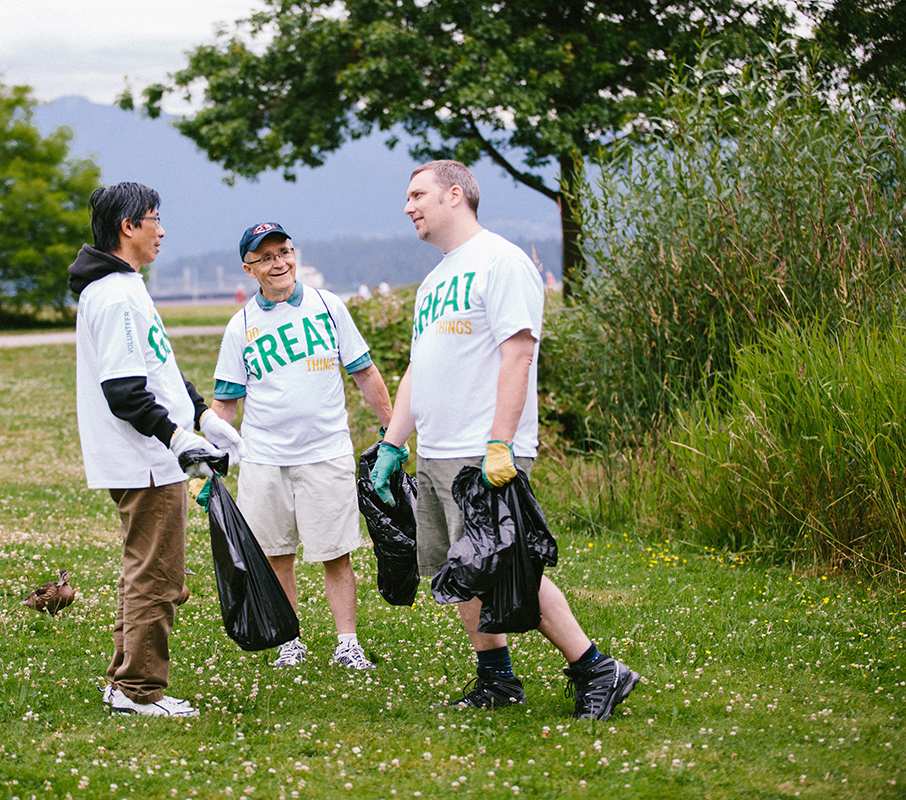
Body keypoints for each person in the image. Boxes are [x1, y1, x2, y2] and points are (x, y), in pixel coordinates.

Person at [371, 161, 640, 720]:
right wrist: (395, 443)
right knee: (460, 569)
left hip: (484, 448)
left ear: (454, 194)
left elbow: (519, 352)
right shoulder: (435, 281)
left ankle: (596, 668)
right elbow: (418, 370)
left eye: (416, 193)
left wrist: (501, 444)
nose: (407, 206)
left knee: (503, 563)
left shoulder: (501, 262)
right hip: (441, 449)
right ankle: (496, 679)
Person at [69, 182, 246, 718]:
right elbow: (125, 392)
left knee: (141, 568)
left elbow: (159, 368)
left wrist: (202, 416)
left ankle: (122, 680)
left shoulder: (123, 286)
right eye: (154, 219)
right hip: (144, 460)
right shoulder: (117, 294)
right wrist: (177, 439)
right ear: (129, 227)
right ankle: (138, 690)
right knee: (158, 576)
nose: (162, 230)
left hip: (145, 457)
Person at [211, 222, 395, 670]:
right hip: (265, 457)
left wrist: (392, 436)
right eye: (266, 257)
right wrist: (210, 461)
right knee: (276, 552)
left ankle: (347, 643)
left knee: (336, 551)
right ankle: (289, 641)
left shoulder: (328, 306)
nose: (279, 263)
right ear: (249, 269)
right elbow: (226, 401)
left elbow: (365, 373)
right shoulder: (242, 326)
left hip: (326, 450)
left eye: (284, 252)